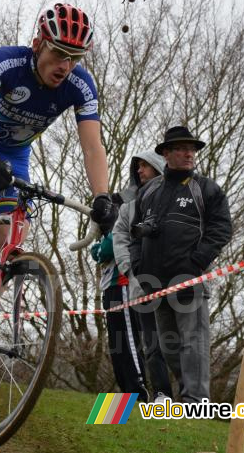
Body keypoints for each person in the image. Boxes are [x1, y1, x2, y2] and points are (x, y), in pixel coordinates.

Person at [0, 3, 117, 318]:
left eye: (75, 58)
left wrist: (102, 197)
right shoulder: (7, 61)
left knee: (8, 245)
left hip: (15, 156)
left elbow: (93, 147)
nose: (65, 66)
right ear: (38, 43)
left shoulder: (80, 86)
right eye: (58, 53)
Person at [113, 126, 232, 403]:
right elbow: (133, 232)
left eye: (191, 149)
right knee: (168, 347)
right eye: (181, 148)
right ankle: (187, 395)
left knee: (194, 342)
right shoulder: (149, 191)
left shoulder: (206, 188)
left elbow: (222, 229)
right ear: (166, 154)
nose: (188, 154)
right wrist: (139, 267)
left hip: (189, 278)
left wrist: (197, 261)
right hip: (154, 282)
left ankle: (196, 401)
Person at [91, 149, 173, 403]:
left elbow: (114, 243)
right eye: (137, 166)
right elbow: (103, 245)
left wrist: (103, 248)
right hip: (111, 284)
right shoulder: (123, 203)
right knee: (118, 345)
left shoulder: (153, 204)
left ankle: (141, 395)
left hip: (130, 282)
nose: (139, 171)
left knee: (134, 341)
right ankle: (129, 395)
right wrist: (101, 246)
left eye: (145, 166)